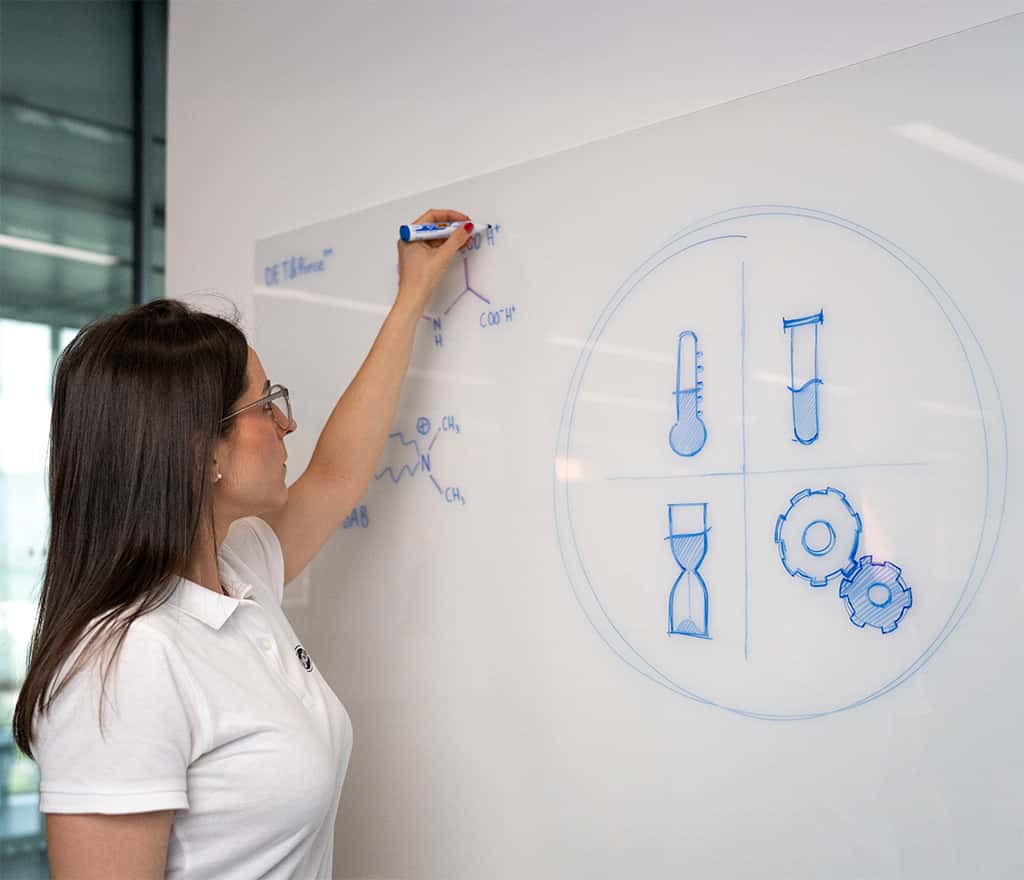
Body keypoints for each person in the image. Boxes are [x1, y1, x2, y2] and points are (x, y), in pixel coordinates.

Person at [11, 209, 474, 879]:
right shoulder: (123, 666)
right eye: (264, 405)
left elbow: (337, 475)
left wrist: (411, 302)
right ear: (201, 453)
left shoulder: (240, 571)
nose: (286, 422)